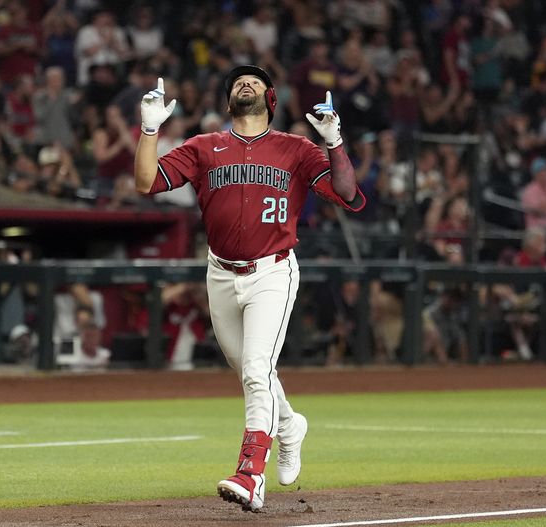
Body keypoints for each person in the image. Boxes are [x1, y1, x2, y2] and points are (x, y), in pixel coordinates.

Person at [134, 66, 365, 511]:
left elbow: (347, 193)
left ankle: (250, 474)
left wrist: (334, 142)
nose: (245, 82)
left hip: (273, 271)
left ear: (270, 98)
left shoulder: (296, 149)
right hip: (220, 273)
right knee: (250, 372)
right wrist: (149, 128)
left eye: (255, 80)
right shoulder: (204, 147)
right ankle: (290, 424)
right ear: (227, 102)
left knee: (257, 370)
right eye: (238, 81)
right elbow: (146, 182)